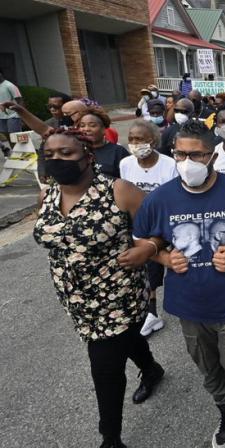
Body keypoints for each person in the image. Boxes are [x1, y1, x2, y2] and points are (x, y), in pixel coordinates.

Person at [133, 120, 225, 448]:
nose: (187, 162)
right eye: (180, 154)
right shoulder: (160, 199)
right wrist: (165, 259)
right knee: (209, 368)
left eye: (196, 155)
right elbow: (143, 241)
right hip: (190, 306)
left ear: (212, 156)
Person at [33, 128, 164, 448]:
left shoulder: (119, 191)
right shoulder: (47, 194)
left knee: (105, 365)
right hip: (76, 298)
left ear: (88, 156)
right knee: (127, 339)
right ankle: (151, 368)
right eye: (50, 155)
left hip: (117, 293)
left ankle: (110, 438)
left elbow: (161, 225)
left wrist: (148, 249)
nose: (58, 160)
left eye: (66, 153)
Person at [119, 120, 179, 336]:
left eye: (140, 139)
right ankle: (149, 312)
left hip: (164, 225)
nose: (135, 143)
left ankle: (162, 309)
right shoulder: (126, 164)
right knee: (142, 269)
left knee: (163, 265)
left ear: (152, 141)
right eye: (132, 139)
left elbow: (175, 198)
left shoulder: (170, 165)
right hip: (138, 226)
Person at [78, 107, 129, 178]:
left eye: (92, 125)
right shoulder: (77, 150)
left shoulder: (118, 152)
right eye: (82, 126)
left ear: (104, 129)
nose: (86, 129)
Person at [0, 69, 23, 142]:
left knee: (15, 137)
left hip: (13, 116)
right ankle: (15, 152)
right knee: (8, 138)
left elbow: (20, 100)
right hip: (1, 116)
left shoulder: (9, 85)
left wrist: (23, 116)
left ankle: (23, 152)